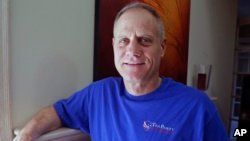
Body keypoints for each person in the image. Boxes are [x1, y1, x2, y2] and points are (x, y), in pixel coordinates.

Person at [14, 2, 229, 141]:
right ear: (114, 45)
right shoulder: (99, 94)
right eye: (124, 41)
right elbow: (56, 113)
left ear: (162, 47)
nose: (132, 51)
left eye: (144, 40)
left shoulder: (197, 107)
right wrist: (25, 136)